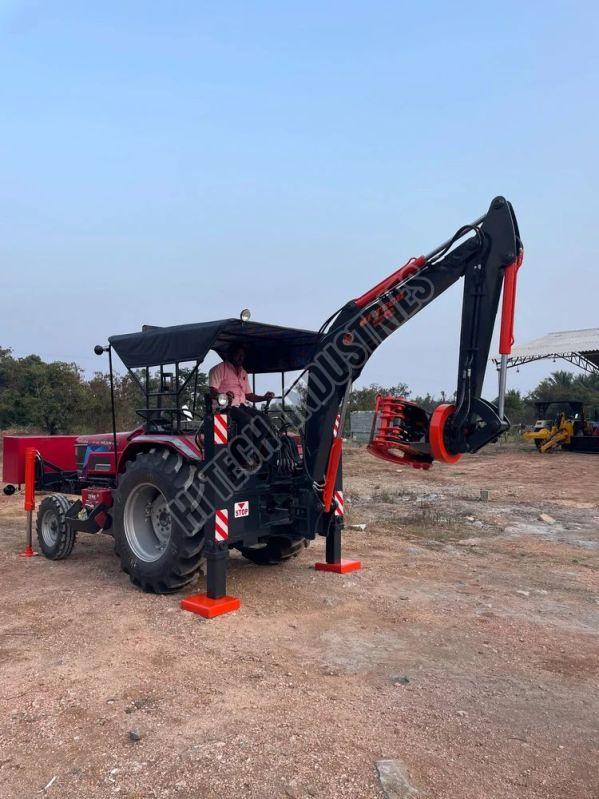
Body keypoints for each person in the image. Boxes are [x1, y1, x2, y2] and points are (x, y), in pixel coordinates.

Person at [208, 344, 274, 407]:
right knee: (247, 419)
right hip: (223, 408)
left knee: (264, 418)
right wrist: (225, 397)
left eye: (243, 355)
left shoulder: (243, 372)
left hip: (242, 406)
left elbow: (249, 395)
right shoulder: (218, 369)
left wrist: (264, 398)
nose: (241, 358)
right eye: (238, 355)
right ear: (230, 355)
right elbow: (212, 392)